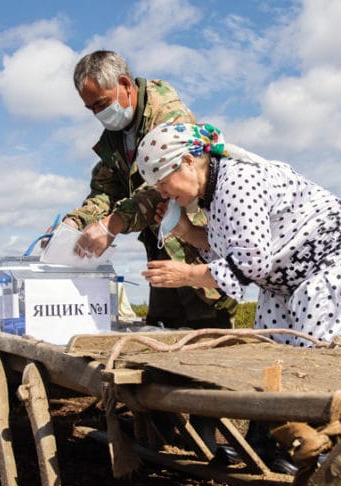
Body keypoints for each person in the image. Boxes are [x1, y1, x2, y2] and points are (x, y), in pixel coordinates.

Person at [137, 123, 341, 350]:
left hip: (328, 262)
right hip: (286, 280)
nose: (162, 193)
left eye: (162, 182)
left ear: (187, 163)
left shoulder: (236, 183)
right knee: (275, 353)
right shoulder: (211, 196)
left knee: (321, 357)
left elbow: (250, 263)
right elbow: (234, 247)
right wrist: (186, 231)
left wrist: (185, 275)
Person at [63, 51, 236, 330]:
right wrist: (75, 223)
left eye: (102, 103)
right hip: (160, 244)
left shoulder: (167, 112)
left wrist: (113, 224)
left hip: (195, 243)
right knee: (160, 332)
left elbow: (163, 185)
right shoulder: (113, 141)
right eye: (91, 108)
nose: (98, 113)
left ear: (125, 84)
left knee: (208, 337)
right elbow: (105, 193)